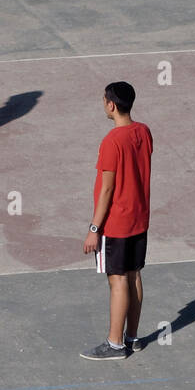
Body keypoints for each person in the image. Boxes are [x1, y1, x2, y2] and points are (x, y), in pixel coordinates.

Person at [81, 81, 153, 359]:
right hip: (139, 218)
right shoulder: (143, 132)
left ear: (111, 105)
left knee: (118, 280)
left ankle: (114, 344)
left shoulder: (112, 141)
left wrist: (94, 229)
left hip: (117, 223)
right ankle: (132, 337)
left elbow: (108, 188)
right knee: (134, 275)